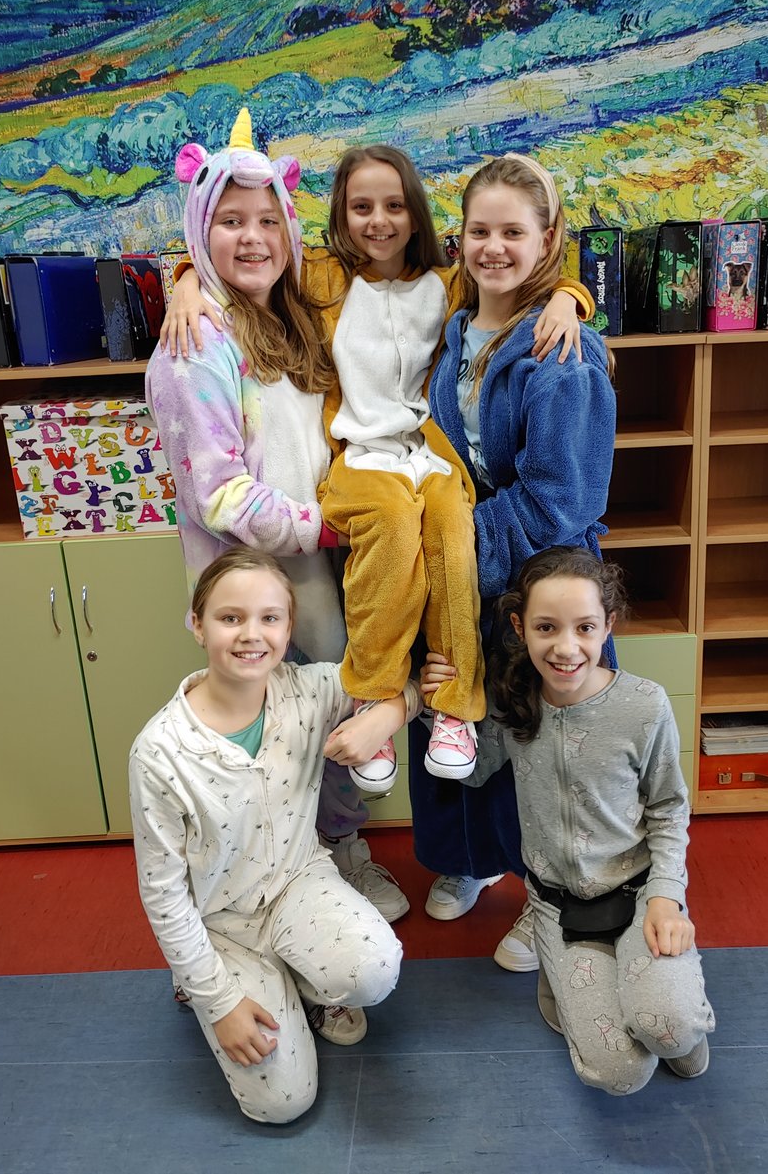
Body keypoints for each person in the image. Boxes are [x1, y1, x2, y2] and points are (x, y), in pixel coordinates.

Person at [161, 142, 593, 931]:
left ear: (420, 215)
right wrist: (186, 277)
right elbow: (255, 258)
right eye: (360, 207)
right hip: (325, 504)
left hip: (423, 470)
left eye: (394, 205)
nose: (379, 220)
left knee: (450, 545)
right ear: (337, 217)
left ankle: (451, 717)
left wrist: (570, 294)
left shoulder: (451, 283)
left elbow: (513, 275)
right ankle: (365, 734)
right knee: (313, 680)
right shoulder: (318, 284)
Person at [147, 111, 409, 923]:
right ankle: (281, 880)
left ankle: (338, 849)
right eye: (229, 221)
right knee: (274, 734)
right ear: (200, 230)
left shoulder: (291, 314)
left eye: (268, 220)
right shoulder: (196, 343)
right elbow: (219, 492)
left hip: (322, 566)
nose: (253, 237)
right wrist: (324, 525)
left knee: (331, 712)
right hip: (256, 579)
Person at [410, 153, 618, 967]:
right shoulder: (455, 326)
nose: (492, 247)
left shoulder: (562, 347)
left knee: (541, 746)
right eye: (478, 230)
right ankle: (472, 859)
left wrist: (452, 538)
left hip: (537, 574)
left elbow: (562, 499)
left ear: (546, 238)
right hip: (461, 564)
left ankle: (552, 897)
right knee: (458, 718)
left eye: (512, 232)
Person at [130, 547, 420, 1123]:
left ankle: (303, 984)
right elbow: (163, 895)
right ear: (197, 624)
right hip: (219, 924)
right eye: (230, 617)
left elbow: (404, 684)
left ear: (289, 629)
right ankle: (209, 981)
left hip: (298, 885)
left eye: (269, 618)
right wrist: (220, 1002)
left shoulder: (309, 691)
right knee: (282, 1104)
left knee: (374, 968)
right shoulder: (159, 753)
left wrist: (385, 716)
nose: (251, 634)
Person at [424, 546, 715, 1093]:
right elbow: (471, 773)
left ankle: (670, 1011)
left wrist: (666, 897)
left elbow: (669, 808)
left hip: (638, 895)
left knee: (674, 1035)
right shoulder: (512, 706)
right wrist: (440, 709)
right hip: (558, 907)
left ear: (608, 625)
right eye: (546, 627)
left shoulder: (644, 705)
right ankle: (564, 983)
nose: (565, 648)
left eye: (584, 627)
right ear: (520, 628)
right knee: (621, 1075)